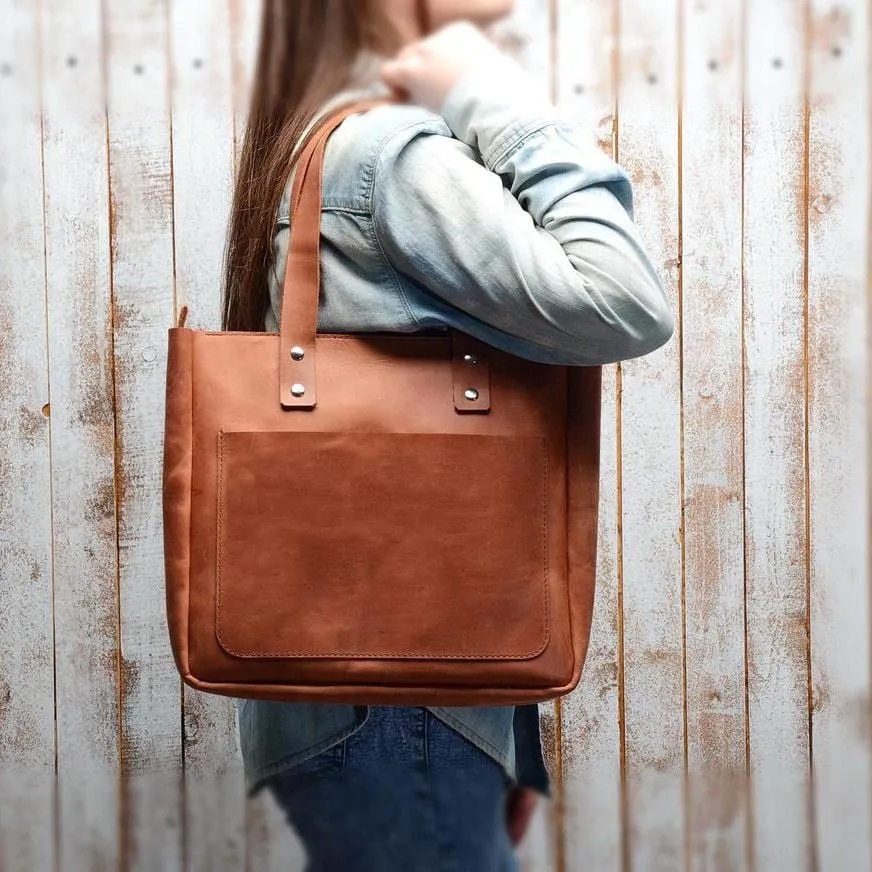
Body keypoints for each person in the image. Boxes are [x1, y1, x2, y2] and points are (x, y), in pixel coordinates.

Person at [221, 1, 674, 869]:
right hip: (401, 707)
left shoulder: (346, 142)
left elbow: (425, 493)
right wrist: (489, 93)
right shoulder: (388, 156)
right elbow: (625, 298)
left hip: (379, 702)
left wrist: (507, 749)